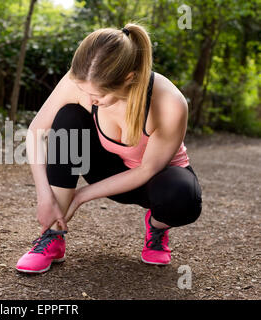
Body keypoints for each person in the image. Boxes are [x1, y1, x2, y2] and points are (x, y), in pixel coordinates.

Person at [16, 23, 202, 274]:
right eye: (83, 90)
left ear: (128, 79)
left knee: (183, 197)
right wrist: (44, 195)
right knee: (68, 117)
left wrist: (81, 196)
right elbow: (35, 131)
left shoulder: (170, 102)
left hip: (151, 181)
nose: (88, 98)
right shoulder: (79, 80)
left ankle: (157, 227)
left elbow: (146, 170)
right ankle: (53, 233)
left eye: (97, 96)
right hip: (106, 169)